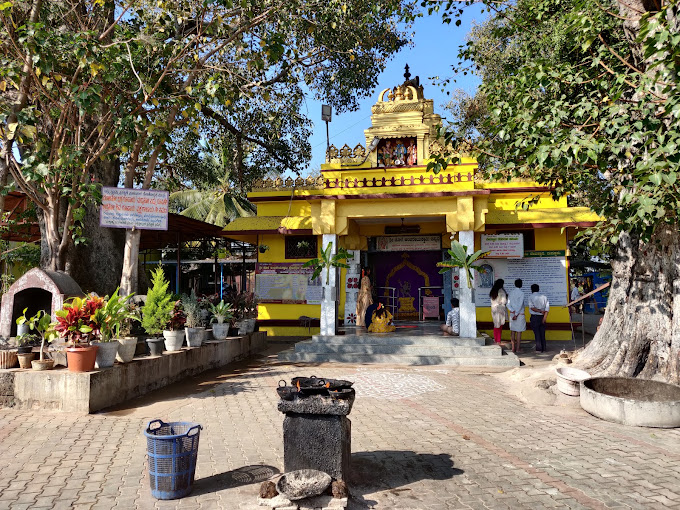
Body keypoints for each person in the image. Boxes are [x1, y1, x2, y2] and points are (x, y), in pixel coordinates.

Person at [528, 283, 550, 352]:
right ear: (538, 289)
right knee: (542, 333)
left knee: (537, 333)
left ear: (531, 290)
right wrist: (544, 318)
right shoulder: (544, 297)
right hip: (542, 317)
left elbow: (532, 308)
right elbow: (547, 309)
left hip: (535, 317)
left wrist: (540, 311)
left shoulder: (531, 297)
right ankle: (544, 347)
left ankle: (539, 348)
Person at [507, 279, 526, 354]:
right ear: (521, 284)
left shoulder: (511, 293)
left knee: (512, 331)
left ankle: (513, 348)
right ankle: (518, 348)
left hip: (512, 314)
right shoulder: (521, 293)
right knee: (518, 332)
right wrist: (516, 314)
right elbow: (520, 305)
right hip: (519, 315)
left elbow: (508, 304)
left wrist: (513, 311)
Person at [489, 279, 507, 344]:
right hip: (500, 309)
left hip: (493, 309)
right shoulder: (501, 291)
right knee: (500, 325)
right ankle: (498, 340)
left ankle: (496, 339)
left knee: (496, 325)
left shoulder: (493, 291)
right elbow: (504, 301)